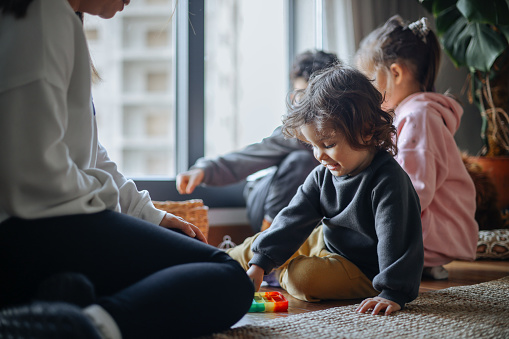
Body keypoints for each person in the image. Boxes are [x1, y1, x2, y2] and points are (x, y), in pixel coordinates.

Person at [0, 0, 254, 338]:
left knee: (97, 282)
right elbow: (31, 173)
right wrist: (111, 213)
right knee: (228, 277)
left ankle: (57, 301)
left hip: (44, 224)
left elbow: (89, 153)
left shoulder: (59, 19)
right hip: (32, 226)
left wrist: (148, 215)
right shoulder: (44, 16)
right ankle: (85, 328)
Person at [227, 65, 424, 315]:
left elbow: (400, 242)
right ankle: (218, 264)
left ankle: (282, 268)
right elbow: (293, 218)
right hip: (326, 243)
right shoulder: (323, 175)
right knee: (259, 245)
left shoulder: (389, 180)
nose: (319, 155)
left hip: (363, 268)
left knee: (303, 278)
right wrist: (259, 263)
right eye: (313, 146)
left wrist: (393, 291)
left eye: (328, 144)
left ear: (366, 131)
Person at [355, 15, 478, 280]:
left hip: (435, 231)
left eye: (371, 82)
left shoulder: (417, 116)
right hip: (432, 226)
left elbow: (412, 193)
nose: (370, 94)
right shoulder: (408, 113)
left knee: (351, 236)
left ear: (396, 73)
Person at [176, 50, 339, 232]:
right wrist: (204, 170)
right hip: (265, 202)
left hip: (310, 213)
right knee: (302, 160)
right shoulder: (296, 134)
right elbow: (250, 156)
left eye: (307, 98)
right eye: (298, 96)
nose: (301, 105)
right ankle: (269, 233)